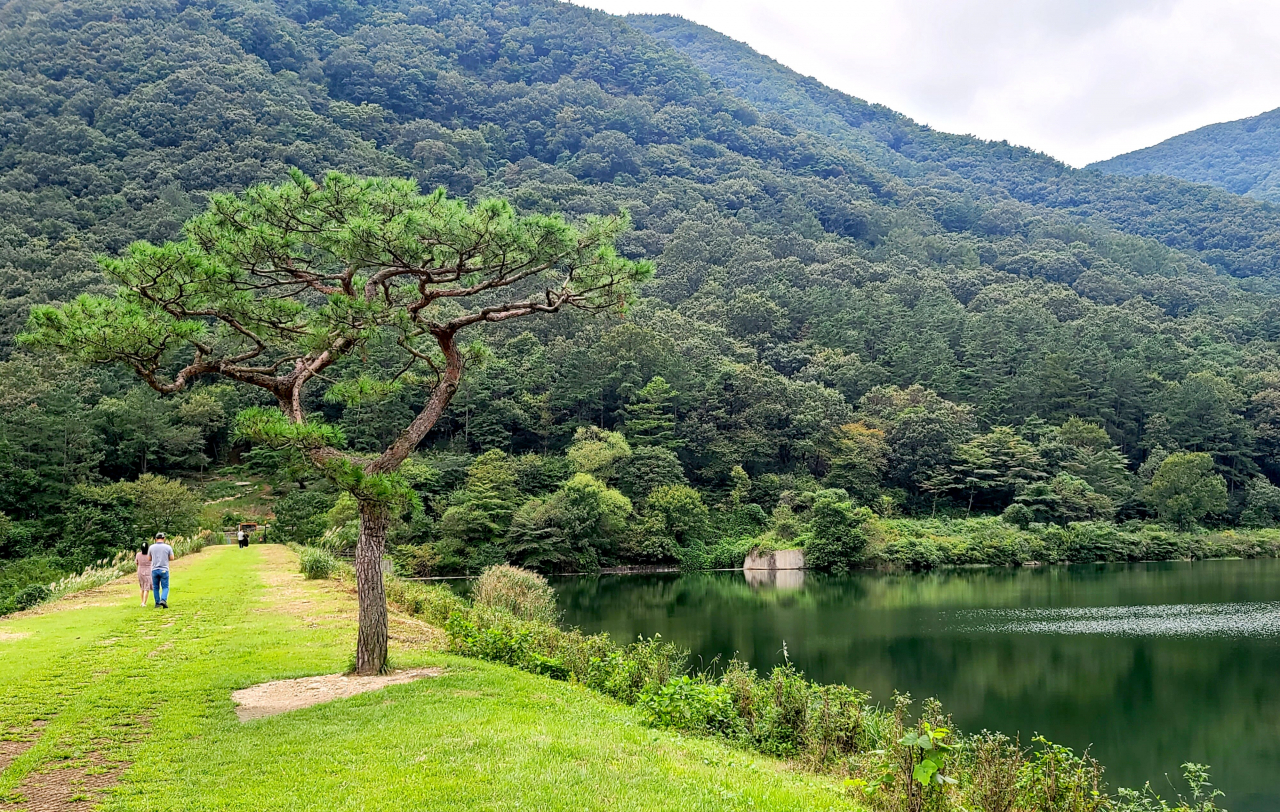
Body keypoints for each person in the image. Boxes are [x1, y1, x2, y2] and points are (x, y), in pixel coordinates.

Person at [148, 532, 175, 609]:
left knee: (156, 587)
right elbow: (172, 558)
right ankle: (163, 599)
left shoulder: (151, 547)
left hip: (154, 569)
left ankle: (157, 603)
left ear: (155, 539)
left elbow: (149, 558)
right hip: (164, 569)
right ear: (164, 539)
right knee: (165, 587)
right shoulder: (168, 547)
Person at [135, 541, 152, 607]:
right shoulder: (150, 554)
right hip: (148, 570)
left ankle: (142, 601)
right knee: (146, 588)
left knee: (141, 587)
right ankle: (144, 603)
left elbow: (136, 563)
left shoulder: (138, 554)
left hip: (140, 570)